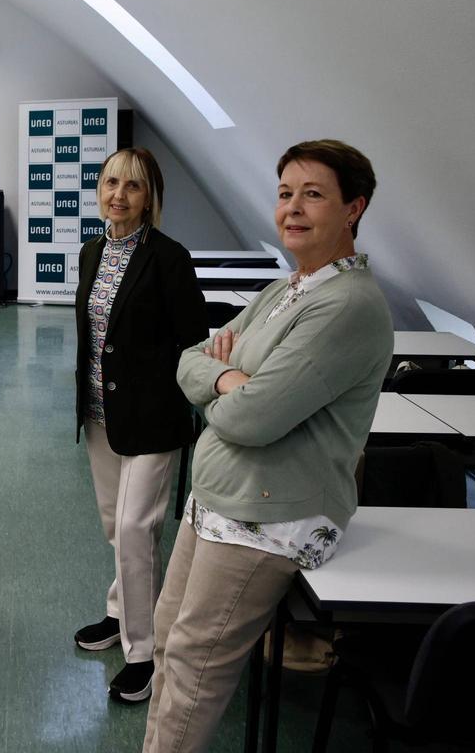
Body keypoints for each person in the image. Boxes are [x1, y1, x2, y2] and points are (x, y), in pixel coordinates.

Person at [142, 140, 393, 752]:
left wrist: (227, 389)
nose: (293, 209)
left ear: (353, 208)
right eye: (285, 194)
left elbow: (254, 420)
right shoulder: (287, 289)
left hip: (267, 514)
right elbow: (189, 361)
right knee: (168, 643)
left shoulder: (349, 305)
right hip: (219, 496)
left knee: (193, 675)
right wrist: (229, 378)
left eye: (313, 194)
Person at [73, 148, 207, 704]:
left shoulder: (168, 258)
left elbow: (194, 338)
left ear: (149, 196)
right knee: (118, 528)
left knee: (134, 530)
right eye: (110, 183)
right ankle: (119, 610)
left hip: (153, 417)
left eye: (132, 186)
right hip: (102, 413)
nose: (118, 195)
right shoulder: (91, 250)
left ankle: (144, 653)